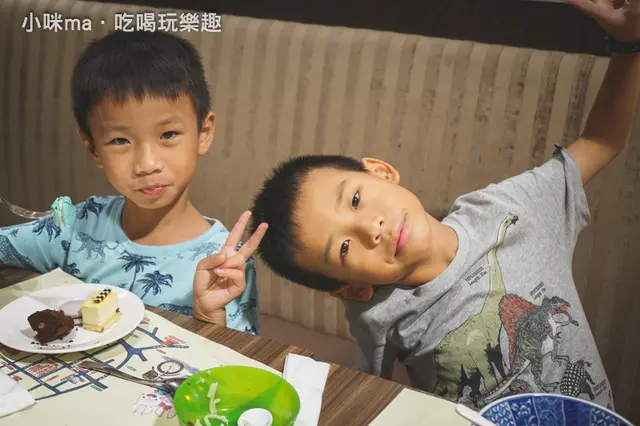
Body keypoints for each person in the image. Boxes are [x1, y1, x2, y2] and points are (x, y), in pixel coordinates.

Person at [247, 0, 640, 408]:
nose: (370, 228)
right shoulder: (375, 314)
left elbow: (601, 141)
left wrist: (629, 42)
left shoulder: (512, 207)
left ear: (380, 171)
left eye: (356, 199)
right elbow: (366, 393)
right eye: (345, 248)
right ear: (354, 289)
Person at [0, 30, 267, 334]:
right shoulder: (79, 225)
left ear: (203, 133)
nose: (147, 164)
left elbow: (236, 359)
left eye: (168, 134)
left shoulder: (226, 261)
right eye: (120, 140)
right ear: (92, 148)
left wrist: (209, 316)